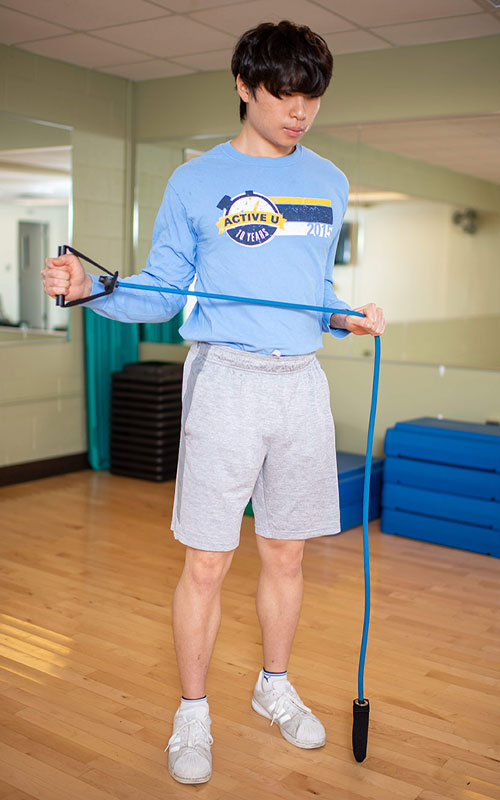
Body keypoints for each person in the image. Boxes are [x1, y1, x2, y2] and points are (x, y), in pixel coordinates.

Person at [42, 19, 386, 786]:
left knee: (287, 553)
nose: (299, 111)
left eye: (312, 98)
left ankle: (273, 686)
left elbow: (312, 291)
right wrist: (93, 288)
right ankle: (191, 711)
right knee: (207, 560)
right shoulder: (196, 181)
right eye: (283, 94)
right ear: (243, 86)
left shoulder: (329, 181)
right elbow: (160, 293)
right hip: (225, 379)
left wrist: (346, 312)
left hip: (301, 381)